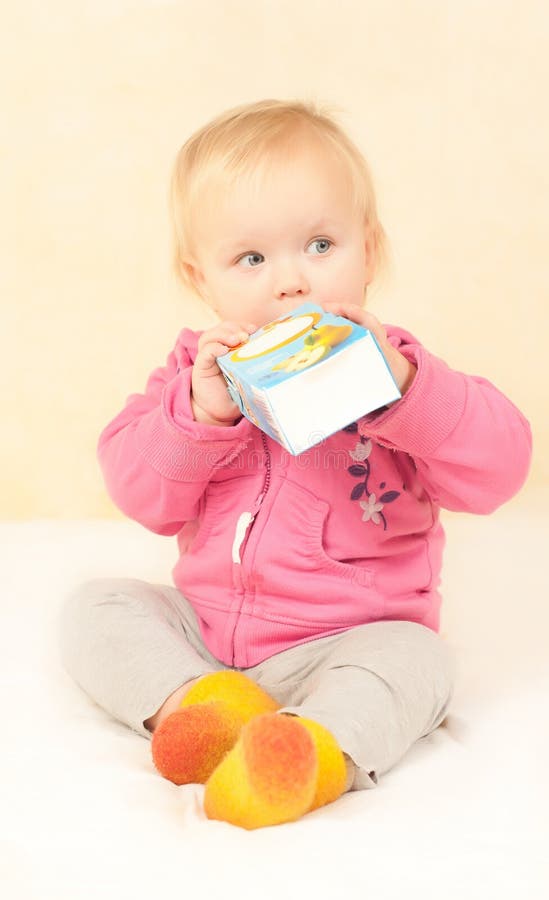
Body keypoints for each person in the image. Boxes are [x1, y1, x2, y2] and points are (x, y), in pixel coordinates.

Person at [59, 99, 532, 829]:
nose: (291, 282)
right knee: (98, 606)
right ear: (200, 277)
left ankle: (309, 754)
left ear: (369, 251)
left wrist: (404, 391)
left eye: (319, 245)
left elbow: (500, 469)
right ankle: (201, 711)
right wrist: (200, 414)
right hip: (209, 639)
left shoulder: (402, 376)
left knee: (418, 661)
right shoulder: (193, 379)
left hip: (350, 640)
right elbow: (140, 495)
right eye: (251, 259)